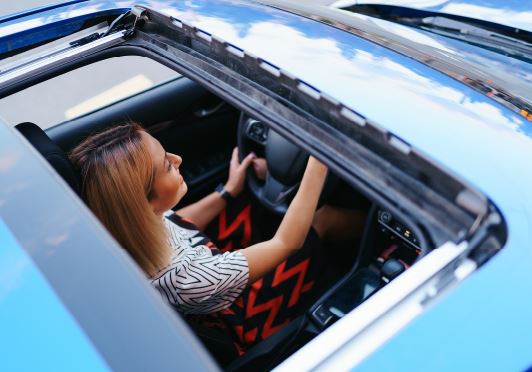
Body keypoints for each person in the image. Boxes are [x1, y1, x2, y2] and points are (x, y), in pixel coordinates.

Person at [69, 122, 362, 360]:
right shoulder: (186, 279)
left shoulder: (125, 228)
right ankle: (378, 240)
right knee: (320, 220)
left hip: (210, 266)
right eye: (167, 166)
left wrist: (229, 192)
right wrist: (319, 158)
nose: (178, 159)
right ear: (142, 204)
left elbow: (176, 220)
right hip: (246, 314)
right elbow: (287, 243)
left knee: (249, 200)